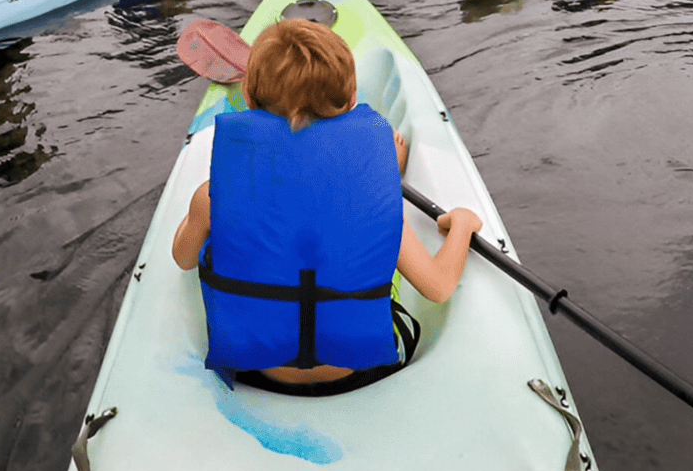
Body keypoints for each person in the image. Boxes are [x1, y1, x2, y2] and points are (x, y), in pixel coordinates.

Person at [172, 20, 482, 394]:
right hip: (355, 373)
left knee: (221, 240)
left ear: (249, 100)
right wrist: (461, 222)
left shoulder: (210, 197)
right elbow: (437, 286)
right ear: (351, 102)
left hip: (257, 373)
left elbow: (184, 259)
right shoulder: (372, 202)